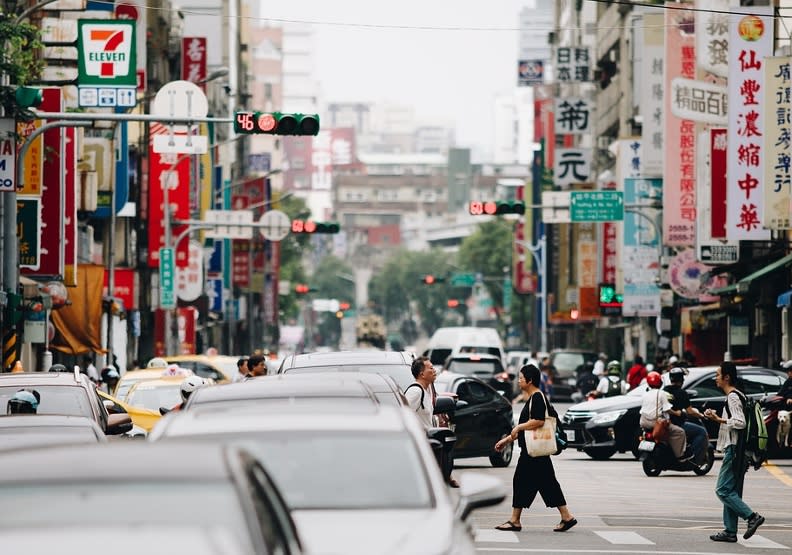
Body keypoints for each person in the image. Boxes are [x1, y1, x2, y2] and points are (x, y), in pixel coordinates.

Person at [494, 364, 577, 533]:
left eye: (521, 378)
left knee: (523, 482)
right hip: (534, 450)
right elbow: (530, 428)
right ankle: (566, 517)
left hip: (534, 451)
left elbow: (538, 421)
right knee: (547, 483)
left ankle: (515, 520)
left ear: (529, 380)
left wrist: (518, 428)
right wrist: (507, 440)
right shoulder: (534, 397)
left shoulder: (537, 397)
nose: (518, 381)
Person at [703, 361, 765, 542]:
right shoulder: (737, 395)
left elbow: (740, 422)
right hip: (741, 450)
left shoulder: (733, 396)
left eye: (717, 374)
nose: (715, 378)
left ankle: (752, 517)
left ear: (727, 377)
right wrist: (715, 417)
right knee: (732, 491)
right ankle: (730, 531)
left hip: (735, 450)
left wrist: (718, 420)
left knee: (722, 490)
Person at [405, 356, 459, 488]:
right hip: (419, 443)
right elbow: (403, 414)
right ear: (422, 373)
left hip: (428, 443)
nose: (434, 371)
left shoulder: (427, 390)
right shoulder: (415, 392)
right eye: (430, 368)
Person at [639, 371, 688, 460]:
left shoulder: (645, 394)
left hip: (644, 423)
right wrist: (677, 413)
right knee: (680, 432)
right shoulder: (661, 393)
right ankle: (680, 456)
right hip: (656, 424)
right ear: (660, 382)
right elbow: (667, 409)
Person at [664, 366, 709, 464]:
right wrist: (701, 416)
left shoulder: (665, 390)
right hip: (678, 424)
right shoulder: (681, 393)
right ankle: (693, 459)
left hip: (665, 422)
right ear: (681, 379)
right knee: (701, 432)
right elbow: (690, 411)